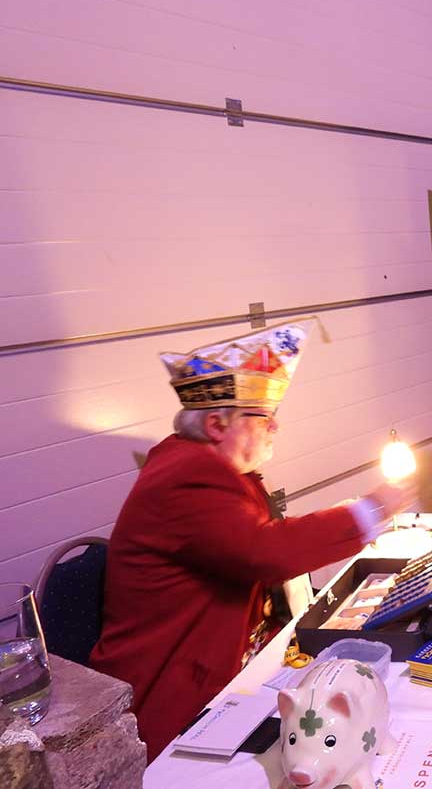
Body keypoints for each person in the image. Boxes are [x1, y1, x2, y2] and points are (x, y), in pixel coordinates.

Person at [89, 318, 414, 760]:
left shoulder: (214, 468)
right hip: (177, 699)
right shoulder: (186, 476)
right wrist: (368, 511)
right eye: (264, 416)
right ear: (217, 423)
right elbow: (265, 551)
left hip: (233, 671)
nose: (275, 426)